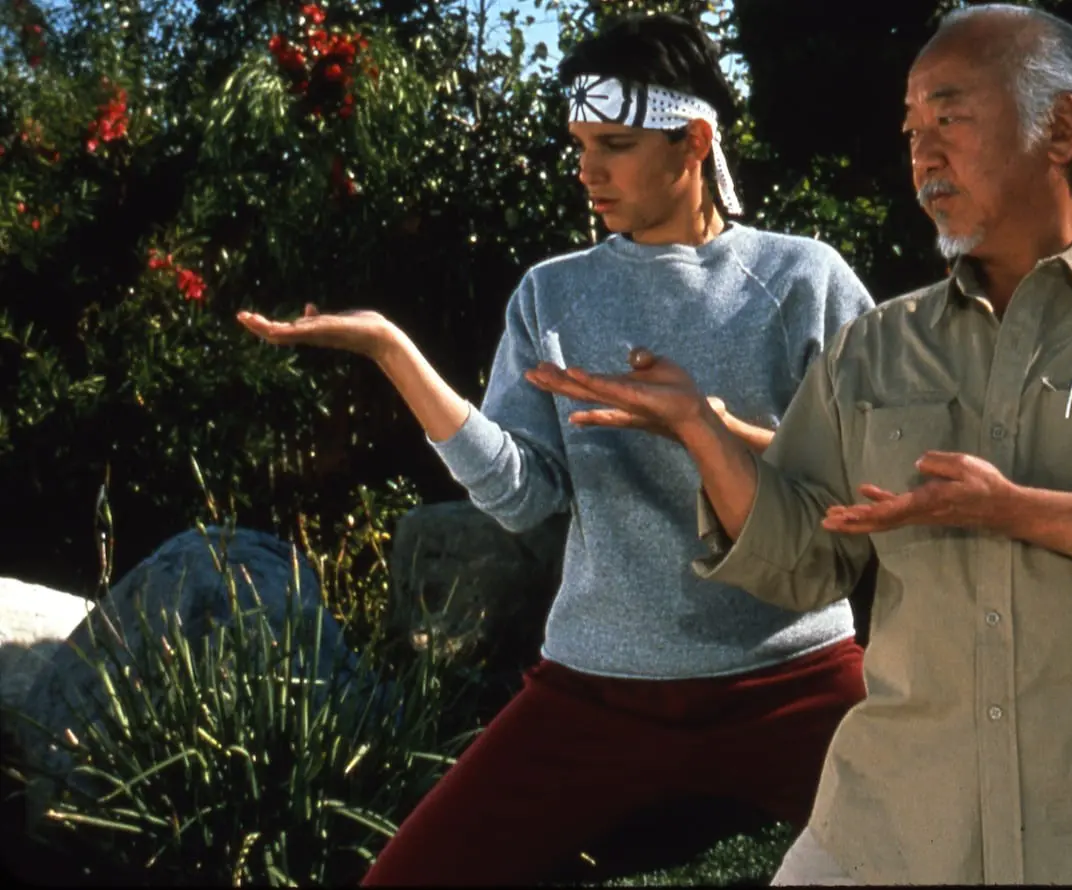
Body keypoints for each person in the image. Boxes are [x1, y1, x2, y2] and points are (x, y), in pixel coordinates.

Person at [523, 4, 1072, 885]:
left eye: (951, 116)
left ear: (1060, 128)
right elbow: (803, 556)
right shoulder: (873, 349)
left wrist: (1018, 512)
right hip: (894, 824)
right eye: (911, 128)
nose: (922, 154)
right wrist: (700, 432)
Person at [236, 12, 874, 886]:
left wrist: (705, 425)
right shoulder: (553, 293)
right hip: (598, 688)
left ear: (693, 142)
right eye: (579, 142)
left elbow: (864, 474)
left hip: (792, 677)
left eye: (613, 143)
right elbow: (524, 497)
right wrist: (394, 351)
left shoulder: (805, 279)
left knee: (969, 854)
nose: (587, 169)